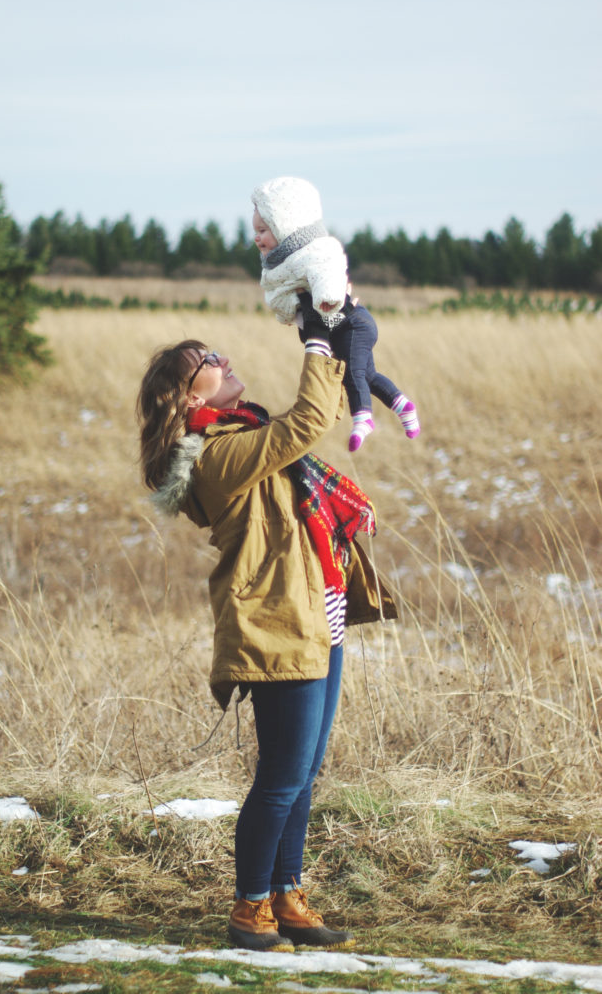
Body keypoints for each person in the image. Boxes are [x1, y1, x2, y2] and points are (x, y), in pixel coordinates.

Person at [136, 318, 397, 952]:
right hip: (277, 624)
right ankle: (249, 907)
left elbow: (320, 409)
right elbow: (307, 421)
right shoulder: (219, 456)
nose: (225, 361)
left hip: (318, 617)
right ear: (191, 396)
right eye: (210, 361)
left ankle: (288, 895)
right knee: (281, 776)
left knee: (303, 774)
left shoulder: (247, 433)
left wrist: (340, 343)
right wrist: (312, 345)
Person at [252, 175, 420, 450]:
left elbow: (327, 270)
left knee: (353, 372)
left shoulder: (315, 250)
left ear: (286, 225)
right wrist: (289, 313)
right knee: (367, 375)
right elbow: (278, 293)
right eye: (255, 231)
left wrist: (328, 298)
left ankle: (362, 418)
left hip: (353, 322)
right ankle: (403, 406)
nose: (257, 237)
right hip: (337, 326)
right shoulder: (279, 264)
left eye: (264, 229)